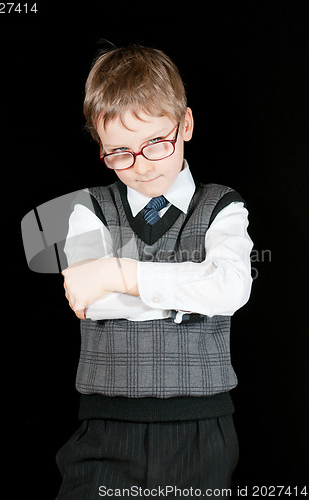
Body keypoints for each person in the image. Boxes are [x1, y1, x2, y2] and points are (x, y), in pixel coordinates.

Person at [56, 44, 253, 499]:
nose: (141, 166)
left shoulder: (223, 206)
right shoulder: (89, 210)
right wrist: (189, 297)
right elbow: (92, 299)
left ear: (184, 125)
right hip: (105, 424)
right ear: (100, 147)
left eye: (154, 143)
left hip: (201, 428)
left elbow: (231, 287)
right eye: (119, 152)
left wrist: (119, 272)